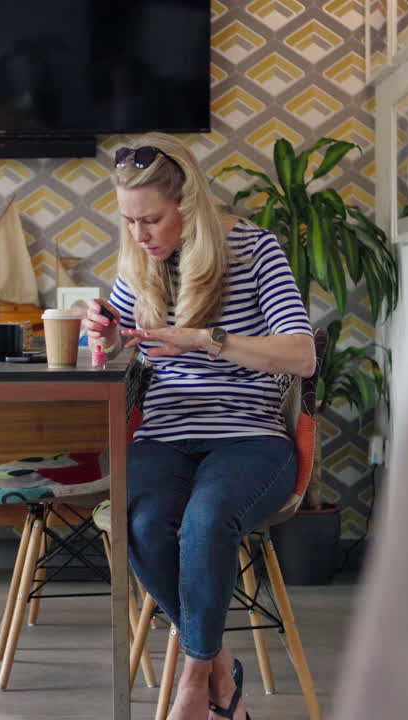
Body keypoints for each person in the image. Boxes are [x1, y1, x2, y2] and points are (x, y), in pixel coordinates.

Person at [82, 132, 315, 720]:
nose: (139, 235)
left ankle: (192, 676)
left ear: (187, 205)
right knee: (140, 518)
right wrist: (107, 341)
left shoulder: (256, 250)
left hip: (250, 436)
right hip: (165, 432)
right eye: (129, 222)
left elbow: (301, 355)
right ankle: (219, 668)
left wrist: (207, 340)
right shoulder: (139, 263)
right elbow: (120, 358)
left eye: (152, 220)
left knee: (206, 520)